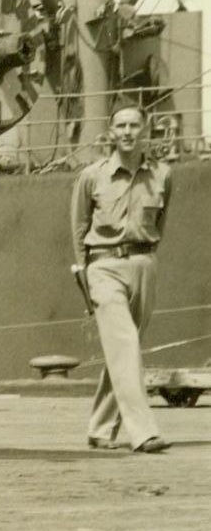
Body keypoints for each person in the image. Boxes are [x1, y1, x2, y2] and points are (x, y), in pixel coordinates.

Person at [72, 104, 172, 454]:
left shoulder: (163, 174)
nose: (128, 132)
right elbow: (79, 227)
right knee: (125, 344)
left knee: (124, 351)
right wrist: (84, 273)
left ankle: (100, 428)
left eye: (134, 125)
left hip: (144, 263)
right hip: (103, 266)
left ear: (146, 130)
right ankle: (143, 431)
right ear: (111, 131)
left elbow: (160, 223)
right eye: (121, 126)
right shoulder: (92, 176)